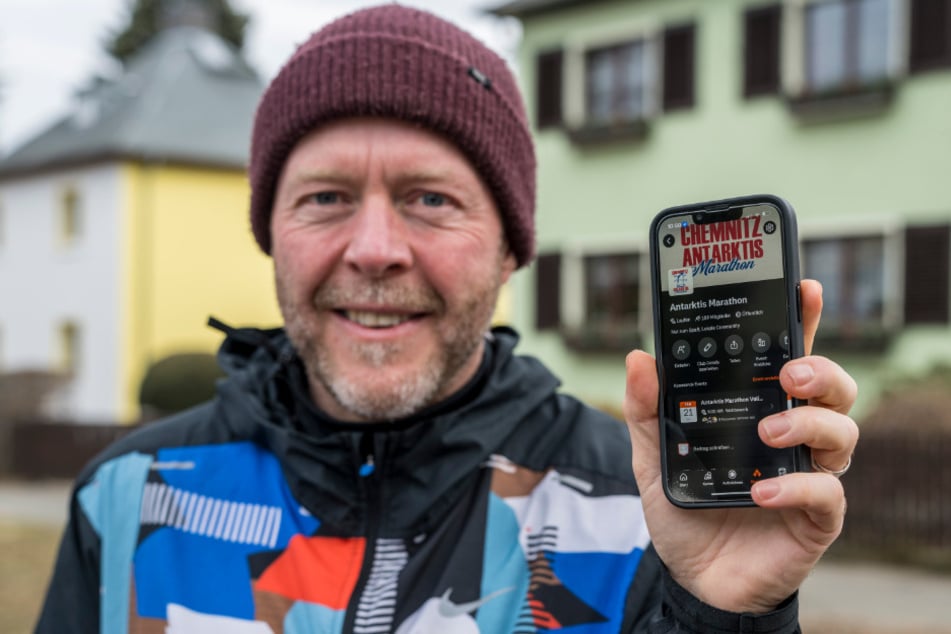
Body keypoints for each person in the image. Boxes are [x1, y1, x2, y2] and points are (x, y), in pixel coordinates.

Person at [36, 5, 858, 633]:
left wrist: (722, 614)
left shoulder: (643, 515)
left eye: (429, 199)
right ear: (271, 237)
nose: (374, 249)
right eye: (325, 198)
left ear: (510, 248)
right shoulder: (128, 496)